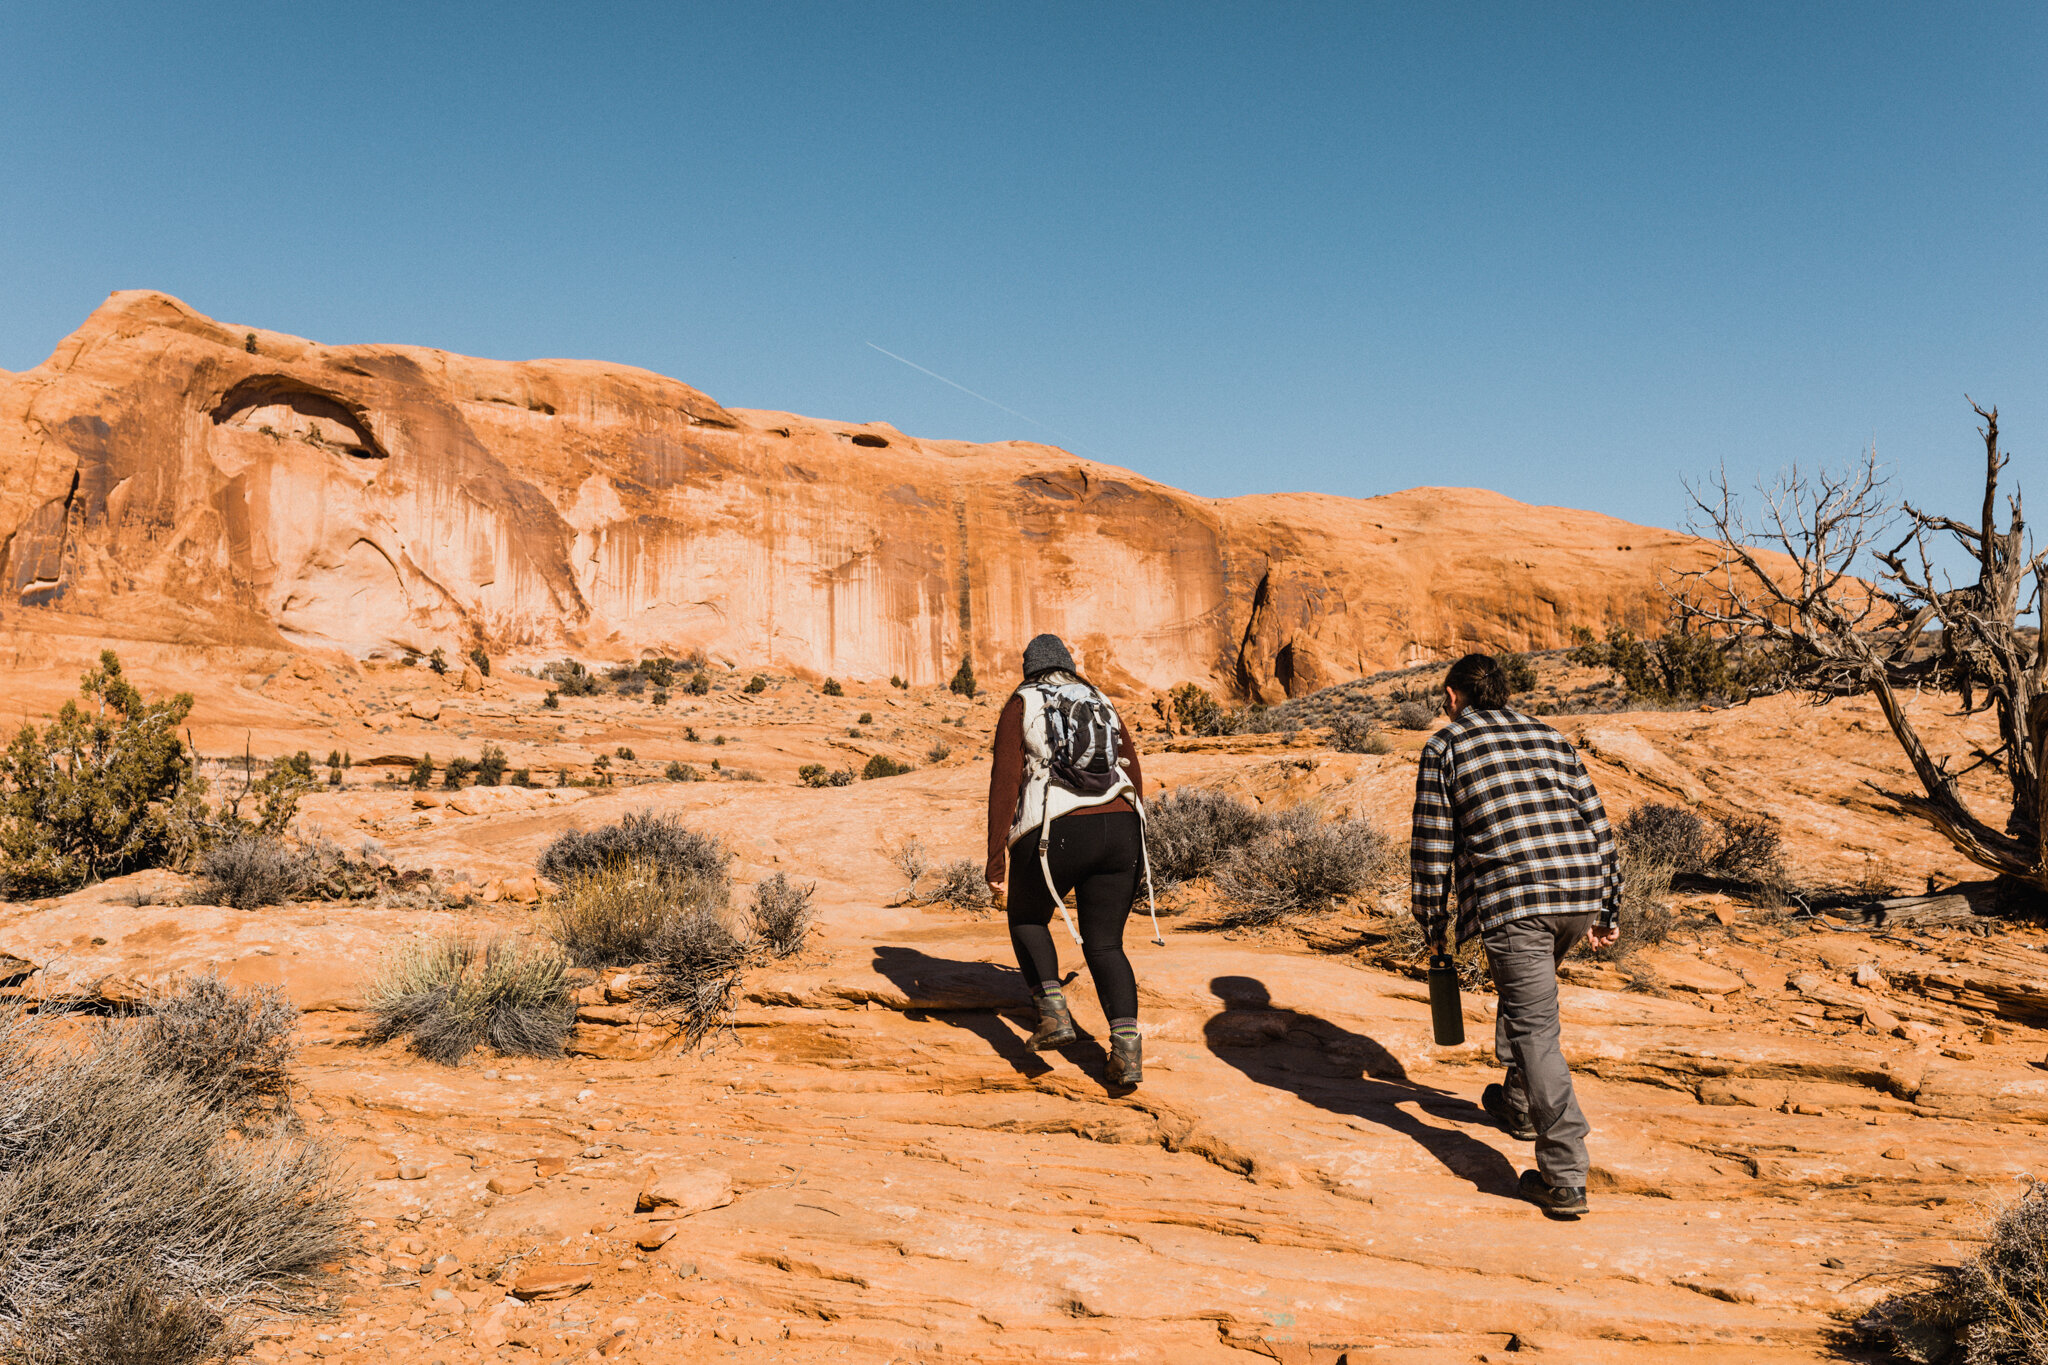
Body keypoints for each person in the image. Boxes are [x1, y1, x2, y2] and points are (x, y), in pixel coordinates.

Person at [1409, 652, 1620, 1219]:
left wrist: (1433, 927)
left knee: (1536, 1030)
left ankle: (1565, 1173)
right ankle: (1519, 1104)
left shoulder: (1445, 747)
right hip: (1578, 893)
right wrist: (1608, 908)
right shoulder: (1550, 738)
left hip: (1516, 902)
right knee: (1530, 1003)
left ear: (1453, 697)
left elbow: (1433, 849)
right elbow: (1599, 825)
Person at [984, 634, 1149, 1085]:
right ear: (1069, 666)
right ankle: (1127, 1054)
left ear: (1029, 668)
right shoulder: (1099, 698)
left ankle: (1054, 1015)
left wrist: (995, 861)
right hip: (1121, 826)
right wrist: (1138, 831)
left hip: (1054, 827)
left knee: (1027, 918)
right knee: (1106, 944)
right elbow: (1130, 765)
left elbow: (1005, 782)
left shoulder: (1023, 702)